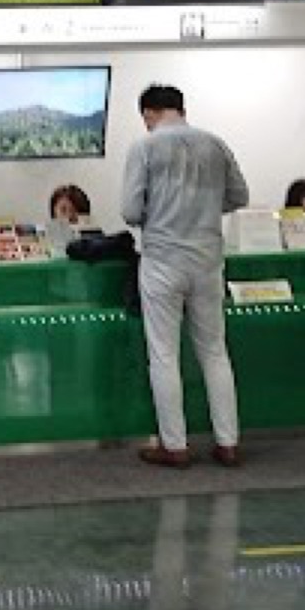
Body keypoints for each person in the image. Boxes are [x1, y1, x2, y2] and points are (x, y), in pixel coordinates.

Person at [121, 85, 249, 469]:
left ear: (148, 113)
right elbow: (239, 196)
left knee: (163, 355)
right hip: (208, 260)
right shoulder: (215, 143)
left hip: (162, 260)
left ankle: (174, 446)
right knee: (214, 351)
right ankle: (228, 442)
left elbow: (129, 210)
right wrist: (205, 209)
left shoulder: (145, 147)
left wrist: (160, 214)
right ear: (181, 108)